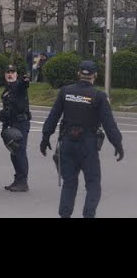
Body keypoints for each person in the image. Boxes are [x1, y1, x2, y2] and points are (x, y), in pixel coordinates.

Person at [40, 60, 123, 218]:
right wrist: (118, 144)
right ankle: (88, 214)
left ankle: (65, 215)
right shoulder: (99, 96)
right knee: (93, 183)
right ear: (95, 75)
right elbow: (109, 124)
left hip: (67, 143)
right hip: (88, 145)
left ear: (78, 73)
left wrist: (45, 138)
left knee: (69, 184)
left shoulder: (65, 92)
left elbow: (53, 116)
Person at [0, 64, 31, 191]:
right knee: (14, 153)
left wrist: (25, 80)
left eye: (13, 72)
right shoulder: (7, 90)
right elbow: (8, 109)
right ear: (5, 75)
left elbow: (23, 85)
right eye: (8, 72)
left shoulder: (18, 86)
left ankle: (23, 182)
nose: (10, 74)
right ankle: (18, 179)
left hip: (21, 123)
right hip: (13, 124)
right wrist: (3, 117)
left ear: (16, 74)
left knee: (20, 151)